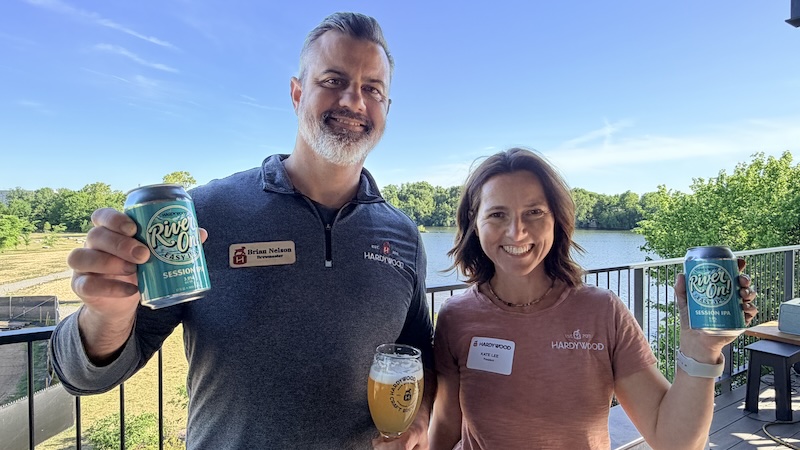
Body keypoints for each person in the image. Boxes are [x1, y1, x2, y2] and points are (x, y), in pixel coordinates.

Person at [50, 12, 434, 450]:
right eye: (332, 80)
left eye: (373, 89)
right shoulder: (203, 213)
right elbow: (86, 376)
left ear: (386, 108)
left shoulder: (402, 234)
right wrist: (105, 314)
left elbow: (418, 348)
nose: (354, 101)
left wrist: (419, 417)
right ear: (296, 93)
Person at [428, 148, 758, 450]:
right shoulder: (456, 316)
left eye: (534, 212)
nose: (517, 232)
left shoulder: (602, 312)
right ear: (475, 222)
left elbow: (675, 441)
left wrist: (701, 348)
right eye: (497, 214)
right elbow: (445, 427)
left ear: (556, 219)